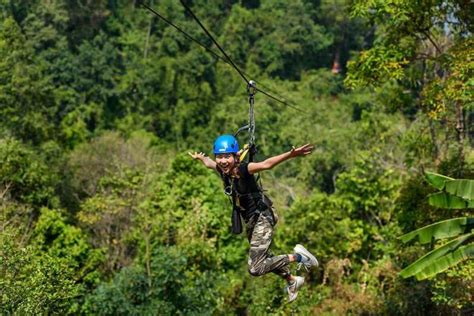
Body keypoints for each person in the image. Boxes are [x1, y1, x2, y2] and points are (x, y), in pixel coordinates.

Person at [189, 134, 318, 302]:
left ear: (235, 157)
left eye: (226, 156)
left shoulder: (244, 169)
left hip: (263, 216)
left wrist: (290, 154)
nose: (222, 161)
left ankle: (299, 257)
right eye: (219, 157)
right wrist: (201, 157)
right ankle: (292, 280)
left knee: (255, 268)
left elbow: (267, 164)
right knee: (264, 257)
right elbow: (209, 164)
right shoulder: (223, 170)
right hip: (250, 220)